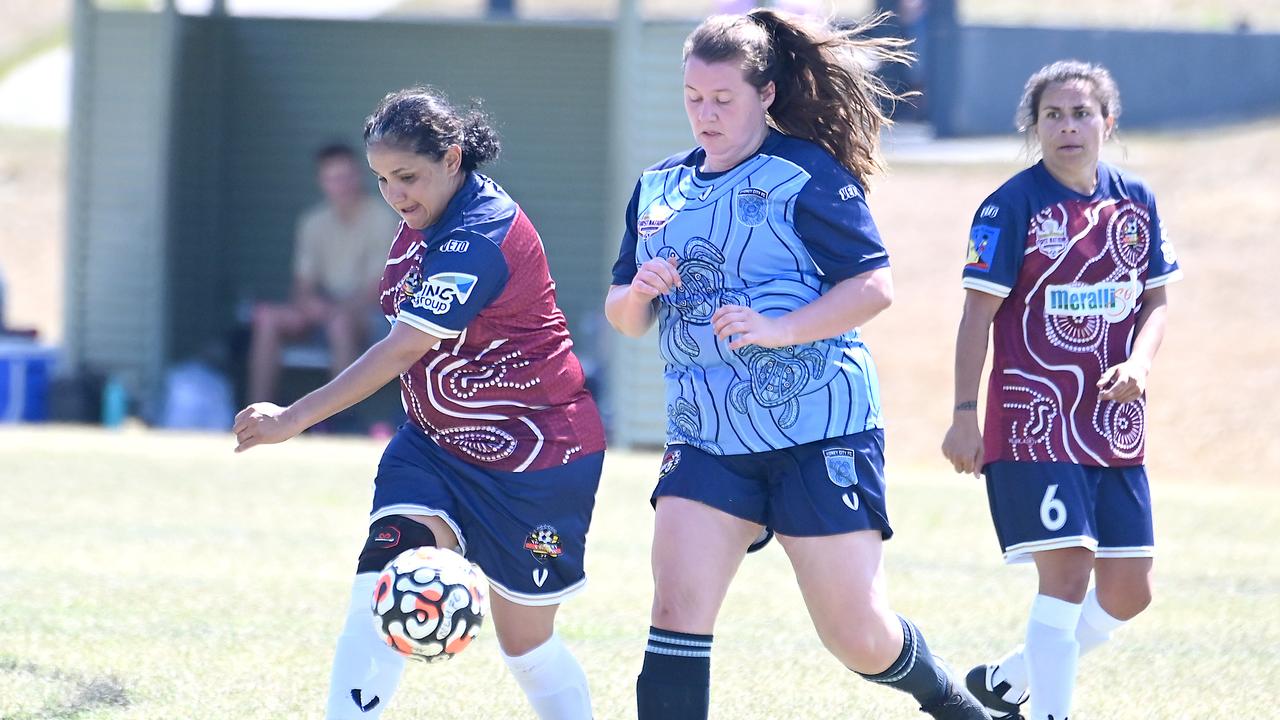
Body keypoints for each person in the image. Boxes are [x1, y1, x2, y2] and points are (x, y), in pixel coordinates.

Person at [605, 10, 989, 720]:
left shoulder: (807, 175)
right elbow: (622, 316)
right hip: (706, 437)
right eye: (693, 97)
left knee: (856, 634)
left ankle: (949, 701)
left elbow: (874, 287)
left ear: (767, 95)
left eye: (723, 99)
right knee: (676, 607)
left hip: (820, 431)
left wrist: (779, 331)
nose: (705, 114)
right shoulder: (659, 188)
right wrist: (639, 292)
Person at [233, 87, 607, 720]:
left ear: (454, 159)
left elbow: (403, 348)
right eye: (382, 180)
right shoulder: (417, 226)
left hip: (539, 463)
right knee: (381, 586)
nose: (395, 194)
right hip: (432, 448)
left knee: (528, 650)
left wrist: (290, 419)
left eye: (407, 177)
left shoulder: (480, 234)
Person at [941, 60, 1181, 720]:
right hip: (1033, 424)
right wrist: (966, 416)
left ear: (1108, 121)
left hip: (1113, 426)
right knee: (1069, 574)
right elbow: (974, 317)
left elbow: (1156, 301)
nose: (1068, 126)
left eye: (1081, 113)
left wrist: (1141, 364)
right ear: (1034, 125)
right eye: (1053, 115)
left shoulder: (1137, 202)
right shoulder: (1010, 206)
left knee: (1130, 590)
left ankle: (1008, 682)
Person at [246, 143, 398, 404]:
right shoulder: (312, 222)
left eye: (346, 176)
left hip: (370, 316)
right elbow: (302, 284)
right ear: (322, 182)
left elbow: (378, 288)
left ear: (359, 176)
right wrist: (310, 305)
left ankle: (340, 418)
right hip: (326, 310)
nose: (342, 185)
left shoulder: (383, 218)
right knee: (267, 318)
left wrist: (333, 310)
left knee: (339, 324)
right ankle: (255, 415)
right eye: (333, 178)